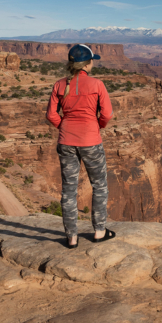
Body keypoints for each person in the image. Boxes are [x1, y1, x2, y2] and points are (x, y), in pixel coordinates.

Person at [46, 44, 115, 248]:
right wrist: (96, 126)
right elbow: (107, 114)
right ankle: (99, 231)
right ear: (88, 63)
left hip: (66, 141)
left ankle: (72, 237)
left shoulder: (59, 85)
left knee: (69, 190)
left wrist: (64, 127)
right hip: (91, 141)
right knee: (99, 185)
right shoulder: (97, 84)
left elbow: (51, 115)